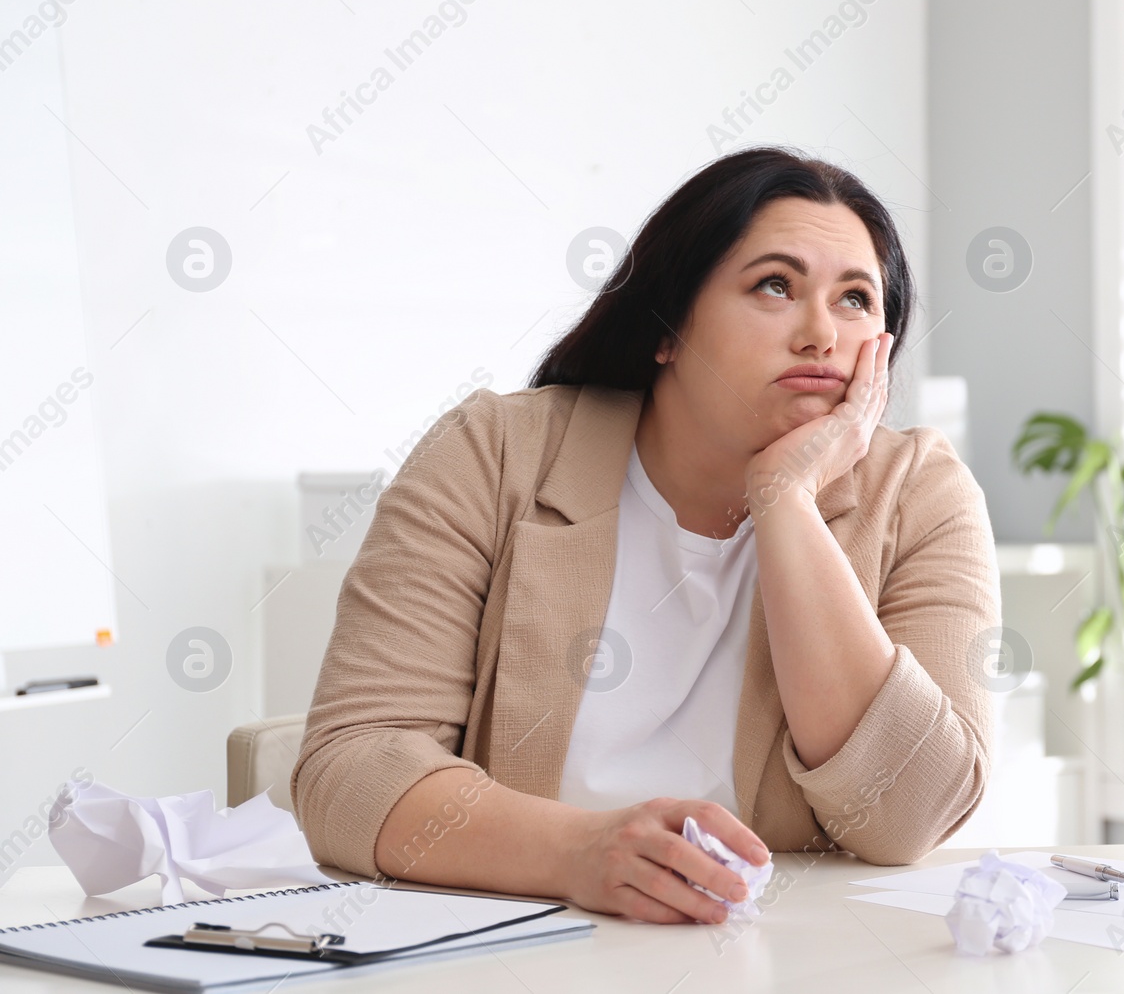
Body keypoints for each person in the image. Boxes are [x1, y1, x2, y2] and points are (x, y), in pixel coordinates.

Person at [291, 146, 1002, 926]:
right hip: (514, 960)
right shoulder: (493, 453)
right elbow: (350, 771)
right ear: (665, 327)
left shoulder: (920, 490)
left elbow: (913, 813)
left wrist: (786, 500)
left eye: (857, 299)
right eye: (775, 285)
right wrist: (578, 852)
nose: (820, 334)